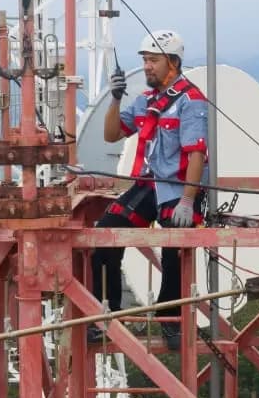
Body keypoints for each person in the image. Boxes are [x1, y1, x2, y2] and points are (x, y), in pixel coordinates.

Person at [89, 29, 209, 351]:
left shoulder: (190, 101)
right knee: (105, 234)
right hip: (148, 183)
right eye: (144, 60)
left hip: (178, 186)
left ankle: (169, 319)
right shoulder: (146, 102)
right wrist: (115, 99)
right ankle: (106, 312)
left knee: (174, 247)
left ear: (172, 62)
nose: (146, 67)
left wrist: (187, 199)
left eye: (153, 60)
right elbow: (112, 134)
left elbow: (196, 153)